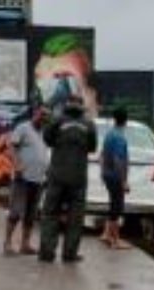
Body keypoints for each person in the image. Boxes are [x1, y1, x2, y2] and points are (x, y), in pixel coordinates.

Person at [39, 95, 97, 264]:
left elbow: (47, 140)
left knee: (50, 213)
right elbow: (93, 148)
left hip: (57, 175)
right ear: (81, 106)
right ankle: (70, 254)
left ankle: (47, 253)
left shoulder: (57, 121)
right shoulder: (89, 124)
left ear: (67, 104)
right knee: (75, 217)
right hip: (78, 177)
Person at [5, 105, 49, 256]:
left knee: (31, 215)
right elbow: (10, 146)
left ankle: (25, 244)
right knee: (16, 212)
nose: (44, 118)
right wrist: (17, 164)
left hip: (38, 179)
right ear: (35, 113)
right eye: (42, 114)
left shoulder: (43, 132)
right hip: (23, 178)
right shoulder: (23, 128)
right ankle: (7, 243)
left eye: (46, 116)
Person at [100, 107, 132, 250]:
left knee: (113, 203)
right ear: (125, 121)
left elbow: (102, 154)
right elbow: (118, 160)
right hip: (115, 176)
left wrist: (102, 171)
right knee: (117, 208)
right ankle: (115, 240)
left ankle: (106, 234)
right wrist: (123, 181)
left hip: (107, 174)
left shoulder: (109, 134)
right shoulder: (119, 137)